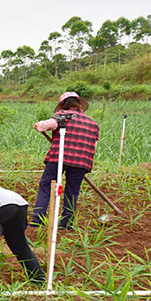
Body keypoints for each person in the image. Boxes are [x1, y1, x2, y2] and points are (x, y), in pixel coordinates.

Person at [30, 92, 99, 230]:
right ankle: (67, 224)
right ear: (79, 104)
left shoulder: (62, 116)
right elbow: (94, 145)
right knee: (72, 191)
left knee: (46, 186)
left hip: (58, 158)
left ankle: (38, 220)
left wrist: (39, 124)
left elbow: (44, 126)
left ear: (63, 105)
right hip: (81, 162)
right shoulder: (93, 124)